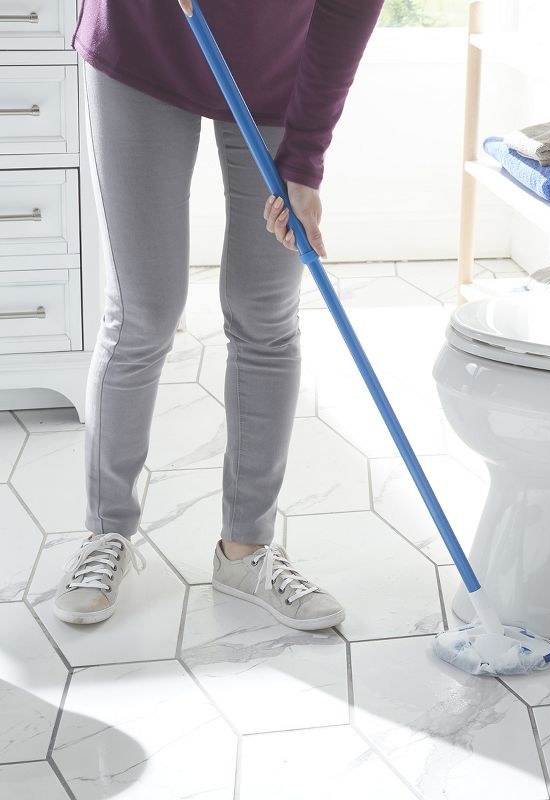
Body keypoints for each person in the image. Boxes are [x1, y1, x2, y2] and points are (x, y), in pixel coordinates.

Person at [53, 0, 383, 629]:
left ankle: (247, 548)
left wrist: (306, 157)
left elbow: (346, 12)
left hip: (276, 72)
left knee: (267, 314)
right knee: (144, 312)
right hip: (142, 48)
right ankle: (106, 534)